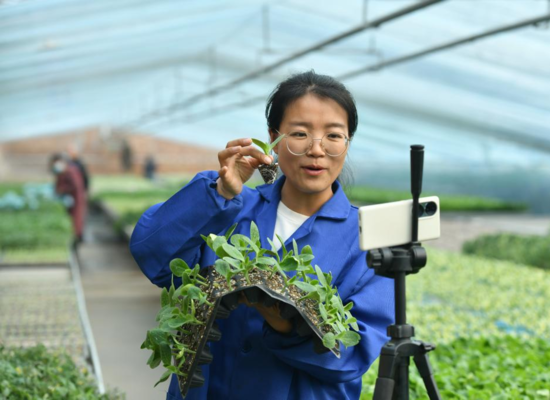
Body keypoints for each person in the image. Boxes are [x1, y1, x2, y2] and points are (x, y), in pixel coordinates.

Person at [130, 71, 394, 400]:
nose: (316, 149)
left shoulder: (368, 240)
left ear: (347, 143)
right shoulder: (230, 208)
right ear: (273, 138)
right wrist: (218, 193)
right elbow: (152, 253)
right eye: (299, 133)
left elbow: (355, 352)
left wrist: (286, 322)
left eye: (334, 136)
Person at [49, 153, 87, 245]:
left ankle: (77, 240)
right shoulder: (63, 171)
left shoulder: (71, 171)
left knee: (76, 219)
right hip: (71, 199)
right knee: (73, 219)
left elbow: (76, 186)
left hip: (76, 199)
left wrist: (62, 190)